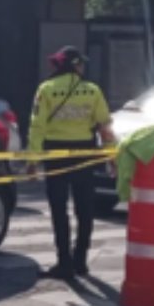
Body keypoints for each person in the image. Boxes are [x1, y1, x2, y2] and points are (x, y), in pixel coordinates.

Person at [27, 46, 115, 280]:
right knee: (85, 208)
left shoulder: (45, 89)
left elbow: (37, 126)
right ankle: (81, 261)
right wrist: (111, 156)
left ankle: (64, 262)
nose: (83, 67)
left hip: (55, 155)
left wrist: (33, 160)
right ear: (75, 65)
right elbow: (104, 127)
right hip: (84, 153)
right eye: (81, 64)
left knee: (59, 209)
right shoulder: (92, 90)